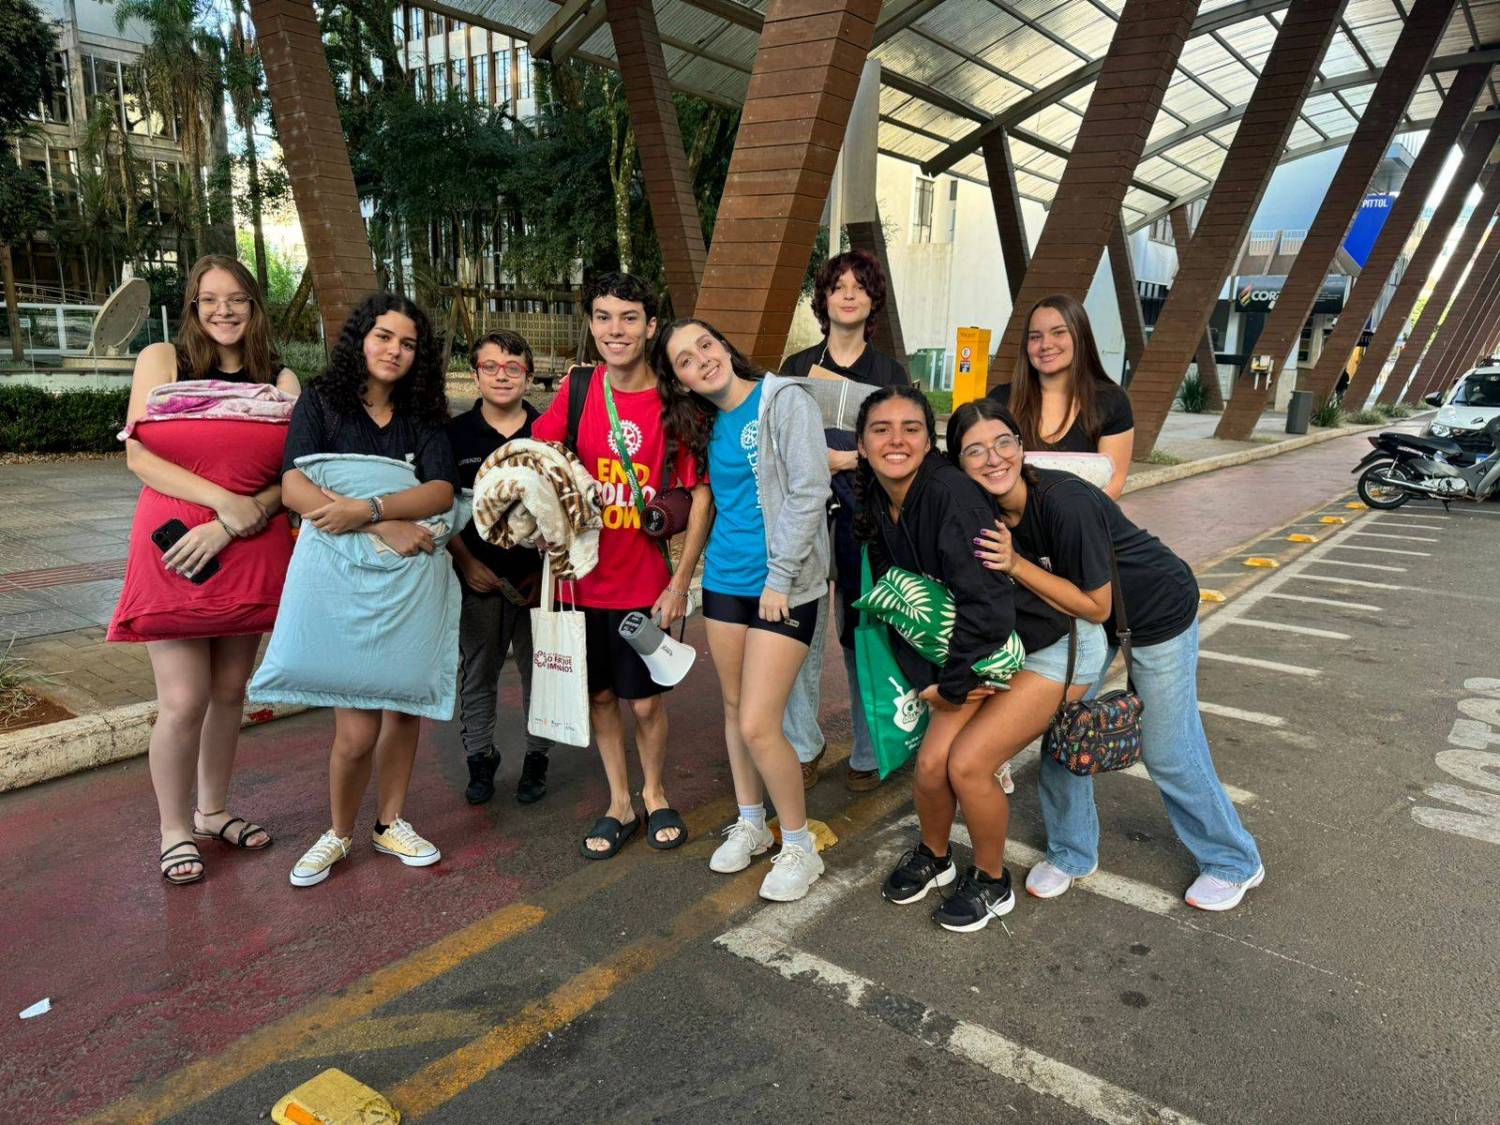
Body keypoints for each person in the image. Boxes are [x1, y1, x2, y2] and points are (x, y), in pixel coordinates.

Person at [959, 399, 1265, 911]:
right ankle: (1072, 853)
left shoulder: (1062, 500)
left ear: (1020, 446)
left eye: (1002, 443)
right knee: (1065, 732)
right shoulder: (987, 510)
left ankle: (1234, 861)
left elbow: (1096, 601)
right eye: (974, 451)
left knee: (1169, 749)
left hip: (1156, 610)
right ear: (960, 463)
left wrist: (1014, 563)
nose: (993, 458)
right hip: (1089, 621)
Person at [854, 386, 1087, 933]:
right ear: (861, 446)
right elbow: (899, 604)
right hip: (978, 649)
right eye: (880, 429)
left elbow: (987, 606)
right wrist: (929, 683)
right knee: (931, 764)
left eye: (911, 427)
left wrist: (953, 686)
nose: (896, 439)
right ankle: (936, 858)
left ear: (929, 441)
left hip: (1038, 645)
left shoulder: (952, 498)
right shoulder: (878, 499)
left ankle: (991, 880)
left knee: (968, 765)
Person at [111, 255, 300, 885]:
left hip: (247, 544)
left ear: (254, 305)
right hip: (175, 549)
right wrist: (218, 505)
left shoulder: (280, 377)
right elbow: (138, 455)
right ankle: (173, 830)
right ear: (193, 306)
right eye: (210, 299)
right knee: (184, 699)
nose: (225, 311)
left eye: (238, 299)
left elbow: (292, 478)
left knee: (228, 695)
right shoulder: (162, 361)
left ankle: (213, 810)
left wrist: (234, 521)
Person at [531, 273, 712, 860]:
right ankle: (619, 802)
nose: (616, 330)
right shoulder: (579, 390)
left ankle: (655, 791)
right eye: (604, 317)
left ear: (651, 325)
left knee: (646, 700)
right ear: (591, 323)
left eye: (629, 317)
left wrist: (682, 580)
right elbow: (537, 458)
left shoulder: (675, 398)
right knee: (602, 697)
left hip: (644, 581)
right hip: (579, 580)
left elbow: (700, 492)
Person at [281, 294, 459, 887]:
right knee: (355, 732)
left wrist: (375, 504)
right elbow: (294, 488)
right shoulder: (322, 401)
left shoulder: (425, 413)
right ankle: (338, 832)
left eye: (408, 344)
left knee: (403, 710)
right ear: (360, 338)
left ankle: (390, 823)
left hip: (410, 582)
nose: (394, 351)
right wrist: (378, 521)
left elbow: (439, 493)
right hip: (341, 578)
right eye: (384, 337)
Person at [655, 317, 832, 901]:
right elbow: (710, 502)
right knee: (733, 710)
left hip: (785, 587)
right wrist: (689, 578)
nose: (701, 359)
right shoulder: (704, 424)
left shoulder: (784, 399)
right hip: (726, 582)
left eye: (706, 344)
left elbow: (810, 489)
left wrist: (779, 578)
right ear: (679, 379)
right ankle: (752, 821)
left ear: (725, 344)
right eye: (684, 359)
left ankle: (800, 845)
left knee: (760, 721)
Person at [781, 249, 910, 791]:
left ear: (873, 299)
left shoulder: (889, 374)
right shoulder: (794, 369)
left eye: (860, 285)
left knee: (864, 640)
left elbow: (905, 447)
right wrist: (824, 460)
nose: (849, 293)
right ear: (825, 298)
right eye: (839, 286)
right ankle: (803, 748)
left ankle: (868, 748)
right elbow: (776, 446)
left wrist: (844, 460)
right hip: (807, 524)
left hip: (867, 525)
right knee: (798, 640)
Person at [447, 330, 552, 806]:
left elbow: (565, 511)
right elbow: (439, 510)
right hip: (477, 579)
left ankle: (537, 756)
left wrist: (546, 569)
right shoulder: (455, 435)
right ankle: (480, 756)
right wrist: (465, 563)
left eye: (513, 368)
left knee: (541, 671)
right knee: (478, 670)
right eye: (491, 367)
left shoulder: (549, 432)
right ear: (476, 376)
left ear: (528, 376)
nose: (502, 376)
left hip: (539, 581)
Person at [989, 294, 1134, 499]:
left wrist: (1064, 525)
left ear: (1080, 337)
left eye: (1058, 333)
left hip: (1082, 523)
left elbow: (1113, 484)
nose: (1045, 344)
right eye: (1035, 337)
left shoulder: (1111, 402)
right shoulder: (1000, 400)